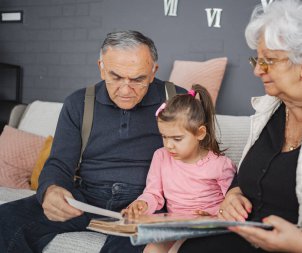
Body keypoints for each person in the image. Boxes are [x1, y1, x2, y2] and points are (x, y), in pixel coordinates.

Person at [178, 0, 302, 253]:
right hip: (249, 238)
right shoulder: (272, 107)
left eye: (269, 61)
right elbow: (251, 172)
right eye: (257, 60)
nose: (258, 71)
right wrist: (234, 193)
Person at [0, 30, 186, 253]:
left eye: (138, 79)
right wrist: (51, 190)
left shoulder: (177, 100)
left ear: (153, 71)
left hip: (146, 204)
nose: (126, 90)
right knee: (5, 221)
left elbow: (206, 158)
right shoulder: (78, 103)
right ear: (101, 68)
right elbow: (59, 162)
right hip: (85, 198)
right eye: (116, 77)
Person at [123, 84, 237, 253]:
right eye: (164, 137)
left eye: (177, 138)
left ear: (200, 133)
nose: (169, 145)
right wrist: (142, 204)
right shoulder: (160, 157)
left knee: (178, 250)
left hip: (209, 228)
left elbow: (233, 202)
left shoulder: (220, 164)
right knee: (151, 250)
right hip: (174, 227)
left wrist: (216, 215)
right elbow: (153, 193)